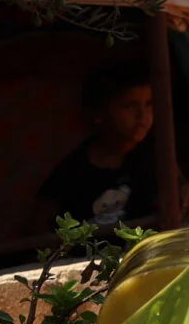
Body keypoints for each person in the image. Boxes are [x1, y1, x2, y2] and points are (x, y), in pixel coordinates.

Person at [31, 66, 158, 233]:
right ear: (98, 114)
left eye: (149, 104)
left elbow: (181, 189)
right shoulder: (73, 171)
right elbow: (39, 227)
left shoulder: (154, 154)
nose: (142, 115)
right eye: (129, 106)